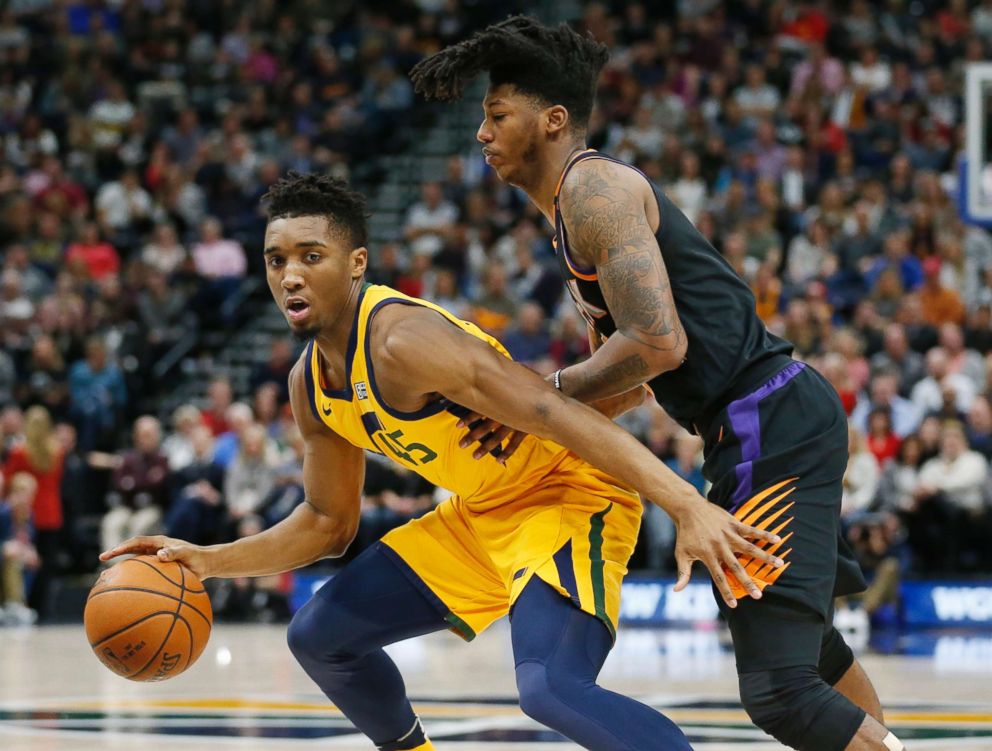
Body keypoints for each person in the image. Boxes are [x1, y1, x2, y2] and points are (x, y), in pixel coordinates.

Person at [103, 173, 781, 751]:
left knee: (549, 686)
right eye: (276, 259)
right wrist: (208, 559)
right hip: (478, 516)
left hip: (564, 494)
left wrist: (687, 504)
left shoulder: (404, 341)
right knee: (319, 635)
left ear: (357, 263)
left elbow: (559, 415)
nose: (290, 274)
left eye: (312, 255)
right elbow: (326, 523)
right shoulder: (310, 384)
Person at [411, 16, 901, 751]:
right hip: (762, 419)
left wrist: (537, 391)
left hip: (768, 418)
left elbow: (659, 344)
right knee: (808, 651)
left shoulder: (594, 190)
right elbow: (626, 387)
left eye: (495, 114)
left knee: (779, 691)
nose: (482, 133)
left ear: (552, 120)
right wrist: (524, 420)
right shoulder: (568, 218)